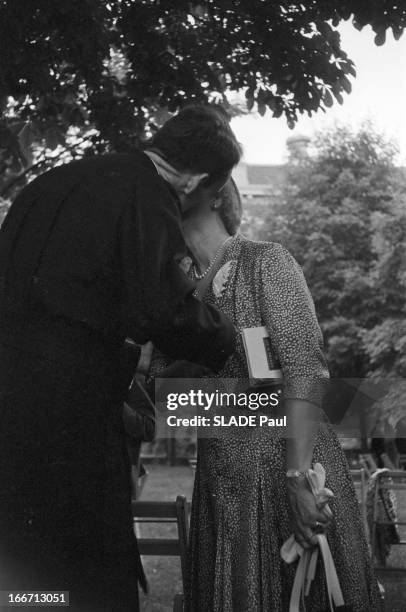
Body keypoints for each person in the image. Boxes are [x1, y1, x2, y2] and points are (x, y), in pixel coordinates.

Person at [0, 106, 241, 611]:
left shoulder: (52, 182)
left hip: (12, 406)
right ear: (196, 181)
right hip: (73, 412)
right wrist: (229, 339)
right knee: (92, 566)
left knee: (26, 563)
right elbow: (164, 309)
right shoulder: (148, 196)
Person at [151, 178, 383, 611]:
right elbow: (165, 387)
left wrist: (297, 481)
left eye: (184, 180)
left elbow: (306, 369)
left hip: (285, 470)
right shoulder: (174, 292)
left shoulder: (266, 262)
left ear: (217, 193)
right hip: (220, 481)